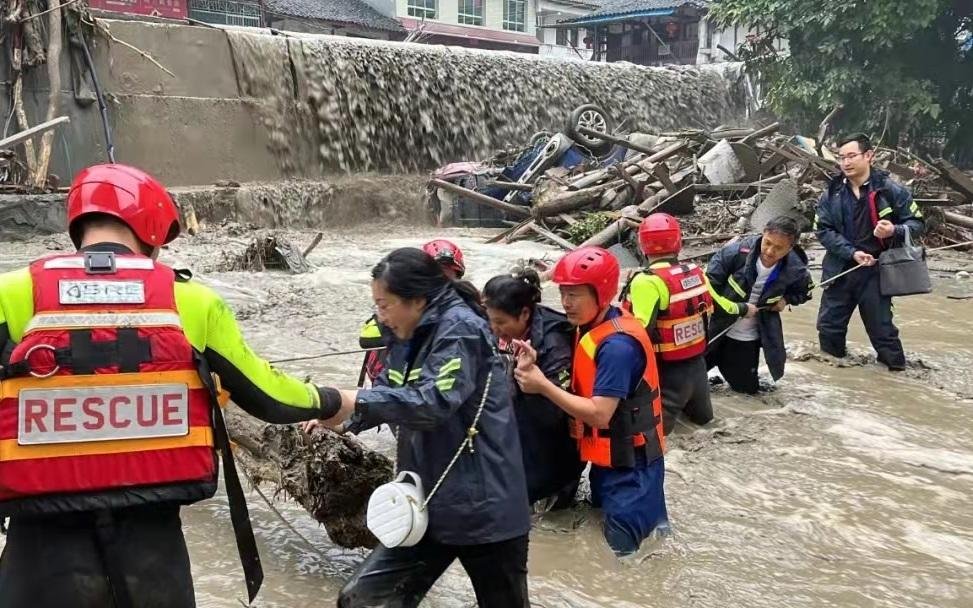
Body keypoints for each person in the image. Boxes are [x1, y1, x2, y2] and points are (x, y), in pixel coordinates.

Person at [0, 164, 329, 607]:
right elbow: (268, 396)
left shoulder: (11, 292)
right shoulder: (190, 300)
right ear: (151, 229)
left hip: (40, 554)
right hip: (152, 552)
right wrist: (328, 400)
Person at [309, 248, 530, 608]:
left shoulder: (460, 329)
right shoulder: (406, 331)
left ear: (416, 300)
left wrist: (358, 401)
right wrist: (342, 418)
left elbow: (432, 403)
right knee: (361, 600)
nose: (379, 316)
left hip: (485, 511)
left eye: (384, 305)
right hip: (425, 505)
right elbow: (394, 393)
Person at [512, 247, 667, 556]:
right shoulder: (594, 323)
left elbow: (600, 415)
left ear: (601, 293)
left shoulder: (617, 348)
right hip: (608, 461)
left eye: (575, 295)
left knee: (627, 555)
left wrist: (542, 385)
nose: (566, 303)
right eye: (563, 293)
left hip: (633, 468)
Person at [621, 213, 755, 434]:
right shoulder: (696, 273)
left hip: (667, 377)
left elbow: (639, 331)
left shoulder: (647, 281)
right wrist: (745, 309)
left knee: (652, 441)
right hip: (697, 371)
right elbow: (724, 306)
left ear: (643, 245)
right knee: (705, 427)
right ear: (678, 243)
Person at [814, 133, 925, 370]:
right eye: (841, 157)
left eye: (851, 156)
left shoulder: (891, 190)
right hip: (841, 269)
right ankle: (834, 383)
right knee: (828, 329)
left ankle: (895, 379)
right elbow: (823, 230)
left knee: (883, 332)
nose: (846, 163)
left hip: (876, 273)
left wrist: (894, 230)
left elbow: (917, 224)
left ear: (869, 156)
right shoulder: (831, 193)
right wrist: (851, 252)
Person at [483, 269, 583, 510]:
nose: (494, 328)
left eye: (500, 322)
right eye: (490, 320)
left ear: (524, 314)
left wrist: (529, 385)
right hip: (519, 435)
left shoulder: (553, 343)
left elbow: (556, 413)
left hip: (553, 445)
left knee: (550, 513)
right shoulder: (504, 329)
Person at [705, 216, 814, 394]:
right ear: (763, 234)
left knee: (747, 392)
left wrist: (785, 300)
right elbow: (707, 287)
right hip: (715, 329)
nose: (770, 251)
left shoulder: (796, 269)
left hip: (747, 337)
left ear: (790, 248)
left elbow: (806, 291)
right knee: (686, 384)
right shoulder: (735, 253)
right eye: (767, 243)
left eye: (779, 248)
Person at [357, 239, 466, 386]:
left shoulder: (461, 324)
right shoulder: (397, 314)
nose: (443, 287)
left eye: (449, 279)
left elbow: (434, 399)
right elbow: (366, 339)